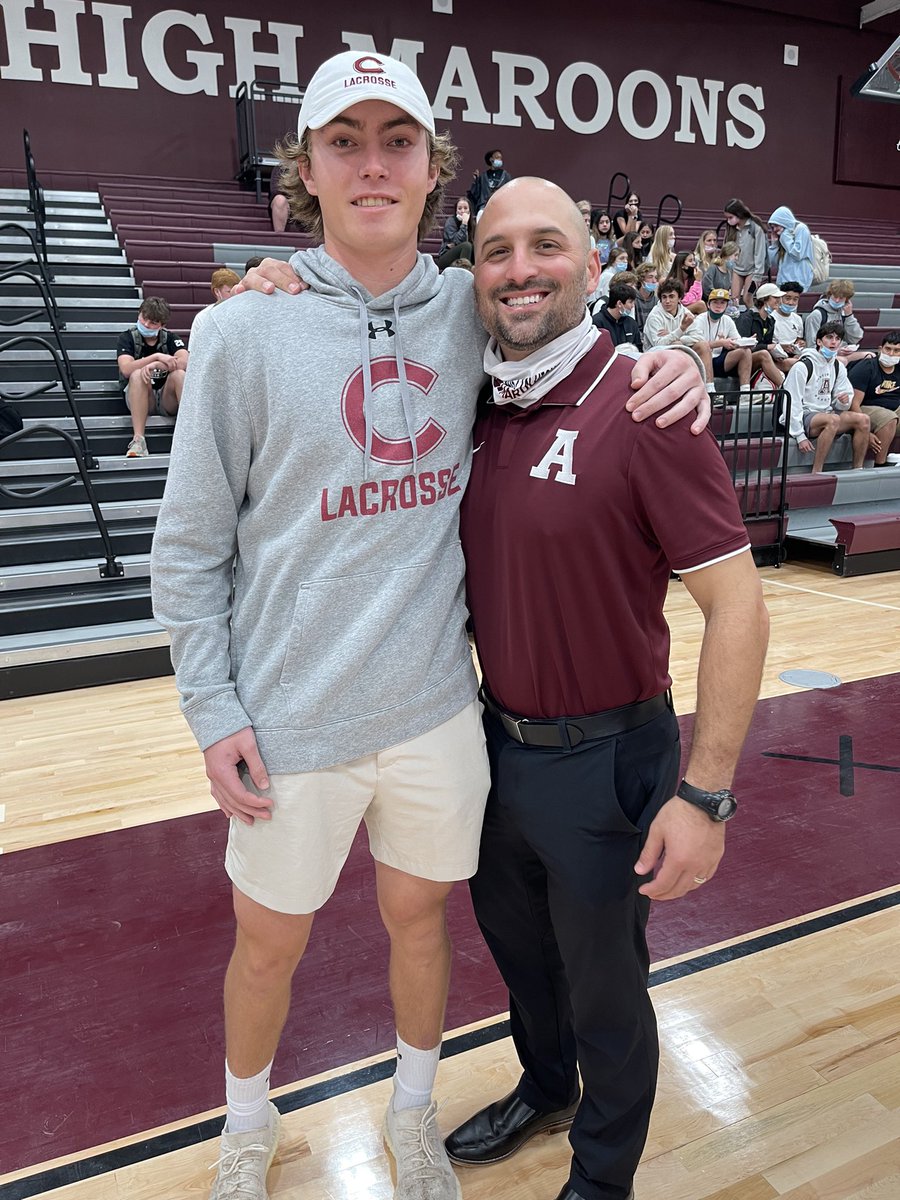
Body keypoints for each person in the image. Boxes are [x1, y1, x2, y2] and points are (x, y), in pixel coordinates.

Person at [153, 49, 709, 1200]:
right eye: (343, 142)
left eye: (394, 142)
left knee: (422, 927)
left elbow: (567, 327)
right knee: (269, 944)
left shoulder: (467, 308)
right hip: (288, 721)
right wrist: (212, 712)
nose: (370, 165)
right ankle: (245, 1132)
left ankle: (412, 1121)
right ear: (306, 168)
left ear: (432, 173)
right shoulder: (243, 333)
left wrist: (684, 357)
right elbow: (189, 549)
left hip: (435, 714)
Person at [446, 176, 769, 1200]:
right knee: (520, 959)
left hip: (608, 759)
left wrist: (706, 793)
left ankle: (603, 1179)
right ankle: (546, 1086)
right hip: (492, 749)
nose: (521, 269)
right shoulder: (477, 402)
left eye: (547, 246)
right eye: (498, 251)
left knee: (608, 990)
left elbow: (741, 610)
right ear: (476, 276)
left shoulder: (645, 404)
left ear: (592, 267)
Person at [784, 321, 865, 473]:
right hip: (805, 414)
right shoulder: (802, 366)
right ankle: (817, 471)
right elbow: (791, 401)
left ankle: (858, 470)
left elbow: (844, 395)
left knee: (863, 420)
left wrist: (843, 402)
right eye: (829, 337)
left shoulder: (837, 365)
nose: (834, 342)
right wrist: (799, 435)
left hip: (825, 413)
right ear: (819, 341)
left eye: (837, 339)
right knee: (832, 419)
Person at [116, 296, 187, 458]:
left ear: (162, 325)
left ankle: (189, 436)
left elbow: (184, 361)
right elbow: (126, 368)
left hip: (165, 398)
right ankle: (139, 440)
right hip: (140, 397)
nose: (146, 325)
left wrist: (156, 365)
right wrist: (156, 357)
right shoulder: (127, 338)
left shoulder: (170, 338)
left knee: (179, 375)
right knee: (136, 374)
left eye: (153, 323)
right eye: (144, 319)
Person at [642, 278, 715, 388]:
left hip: (677, 347)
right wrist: (681, 330)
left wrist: (675, 336)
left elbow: (699, 337)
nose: (667, 301)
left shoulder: (685, 312)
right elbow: (658, 344)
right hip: (654, 357)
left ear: (679, 298)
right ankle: (685, 388)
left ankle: (709, 388)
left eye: (671, 296)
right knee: (678, 347)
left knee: (703, 346)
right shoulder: (654, 316)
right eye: (664, 297)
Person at [848, 331, 900, 467]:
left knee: (891, 416)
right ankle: (880, 465)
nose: (891, 354)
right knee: (888, 418)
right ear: (880, 349)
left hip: (894, 408)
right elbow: (853, 404)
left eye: (896, 351)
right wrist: (866, 430)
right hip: (866, 407)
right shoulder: (866, 367)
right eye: (888, 349)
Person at [689, 288, 752, 392]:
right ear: (708, 305)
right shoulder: (700, 320)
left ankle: (745, 392)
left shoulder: (728, 320)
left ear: (726, 306)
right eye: (715, 302)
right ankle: (710, 391)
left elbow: (736, 340)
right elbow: (696, 345)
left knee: (746, 352)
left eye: (722, 303)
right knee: (704, 347)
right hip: (701, 361)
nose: (719, 306)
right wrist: (720, 343)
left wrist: (747, 342)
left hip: (718, 360)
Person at [804, 279, 870, 364]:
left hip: (842, 353)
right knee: (843, 361)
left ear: (847, 300)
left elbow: (855, 339)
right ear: (829, 295)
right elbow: (811, 346)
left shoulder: (844, 313)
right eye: (835, 296)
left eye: (841, 298)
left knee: (870, 356)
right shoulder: (817, 315)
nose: (837, 300)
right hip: (822, 355)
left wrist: (849, 316)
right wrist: (835, 351)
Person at [735, 283, 787, 388]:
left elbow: (767, 344)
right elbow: (739, 346)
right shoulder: (746, 318)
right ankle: (787, 389)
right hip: (743, 360)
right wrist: (767, 347)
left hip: (760, 359)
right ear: (764, 299)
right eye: (775, 297)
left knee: (791, 362)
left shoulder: (771, 321)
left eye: (779, 298)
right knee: (764, 354)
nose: (779, 301)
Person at [723, 198, 767, 310]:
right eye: (727, 218)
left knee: (748, 298)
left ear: (739, 214)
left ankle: (755, 321)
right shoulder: (731, 229)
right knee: (734, 299)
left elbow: (759, 253)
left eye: (730, 217)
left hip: (752, 270)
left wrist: (758, 275)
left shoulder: (755, 228)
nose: (728, 220)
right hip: (737, 268)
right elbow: (726, 248)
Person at [767, 205, 814, 290]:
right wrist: (774, 245)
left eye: (776, 225)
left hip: (799, 281)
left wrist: (784, 236)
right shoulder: (782, 237)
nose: (774, 230)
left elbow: (797, 254)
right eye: (773, 227)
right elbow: (774, 262)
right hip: (783, 281)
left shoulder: (801, 229)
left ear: (784, 222)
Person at [190, 268, 241, 341]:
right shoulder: (202, 317)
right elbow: (194, 350)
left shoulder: (244, 314)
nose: (234, 295)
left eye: (236, 291)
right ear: (217, 291)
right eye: (229, 292)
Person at [591, 282, 642, 353]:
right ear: (619, 304)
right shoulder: (597, 322)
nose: (633, 306)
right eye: (630, 302)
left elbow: (639, 348)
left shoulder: (631, 323)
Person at [467, 148, 511, 219]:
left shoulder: (506, 176)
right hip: (485, 206)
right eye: (497, 157)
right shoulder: (483, 176)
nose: (499, 160)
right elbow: (476, 195)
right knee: (480, 215)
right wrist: (476, 181)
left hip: (501, 207)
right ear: (491, 159)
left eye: (500, 158)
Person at [772, 281, 806, 369]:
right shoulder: (771, 317)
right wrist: (783, 347)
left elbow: (799, 339)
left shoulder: (797, 319)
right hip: (775, 356)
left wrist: (800, 343)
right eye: (787, 298)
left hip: (793, 355)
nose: (791, 303)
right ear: (780, 298)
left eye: (795, 299)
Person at [437, 196, 473, 269]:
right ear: (456, 211)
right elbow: (457, 242)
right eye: (459, 208)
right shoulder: (450, 222)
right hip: (446, 256)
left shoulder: (473, 224)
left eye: (465, 208)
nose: (463, 211)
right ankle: (463, 274)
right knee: (466, 246)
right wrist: (464, 223)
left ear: (469, 211)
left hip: (465, 256)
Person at [632, 263, 659, 333]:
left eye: (655, 277)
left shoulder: (657, 301)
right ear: (641, 279)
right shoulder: (633, 299)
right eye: (650, 277)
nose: (654, 281)